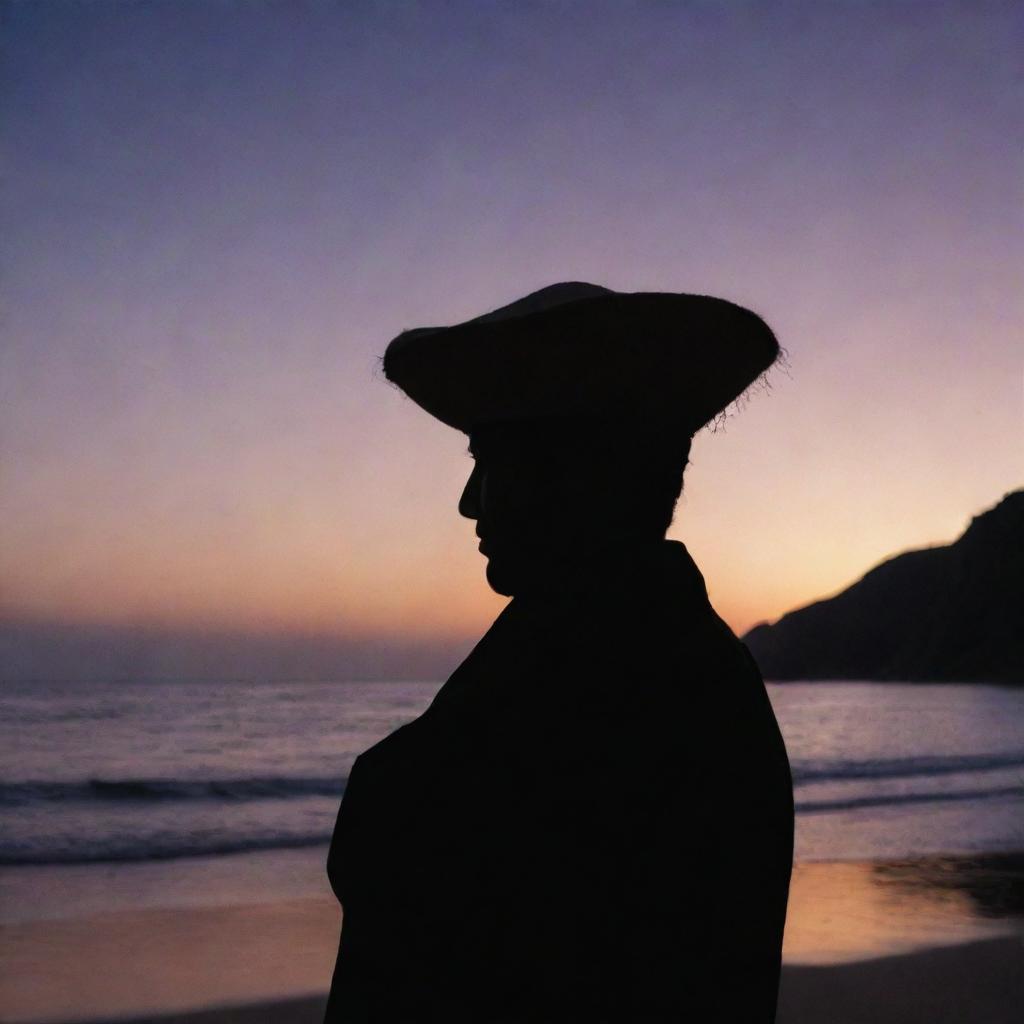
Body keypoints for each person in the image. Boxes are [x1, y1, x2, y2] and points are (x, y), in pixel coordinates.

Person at [324, 282, 794, 1022]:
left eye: (491, 461)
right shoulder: (677, 661)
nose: (469, 502)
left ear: (578, 472)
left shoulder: (596, 683)